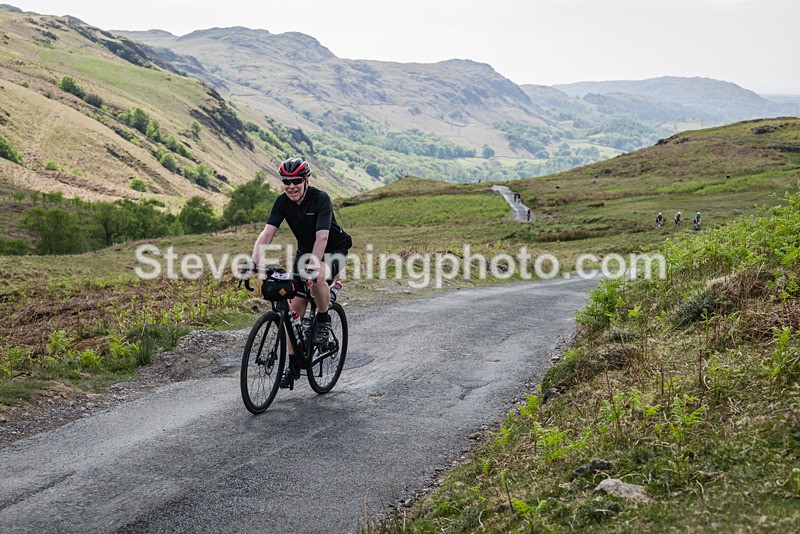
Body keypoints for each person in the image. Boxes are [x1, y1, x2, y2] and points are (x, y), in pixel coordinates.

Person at [251, 158, 352, 385]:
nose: (291, 186)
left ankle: (324, 319)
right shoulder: (282, 202)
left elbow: (322, 237)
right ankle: (294, 363)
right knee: (292, 309)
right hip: (305, 252)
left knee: (317, 278)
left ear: (306, 180)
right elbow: (267, 234)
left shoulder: (320, 199)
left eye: (296, 180)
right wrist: (253, 262)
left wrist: (313, 266)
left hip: (334, 249)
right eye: (286, 181)